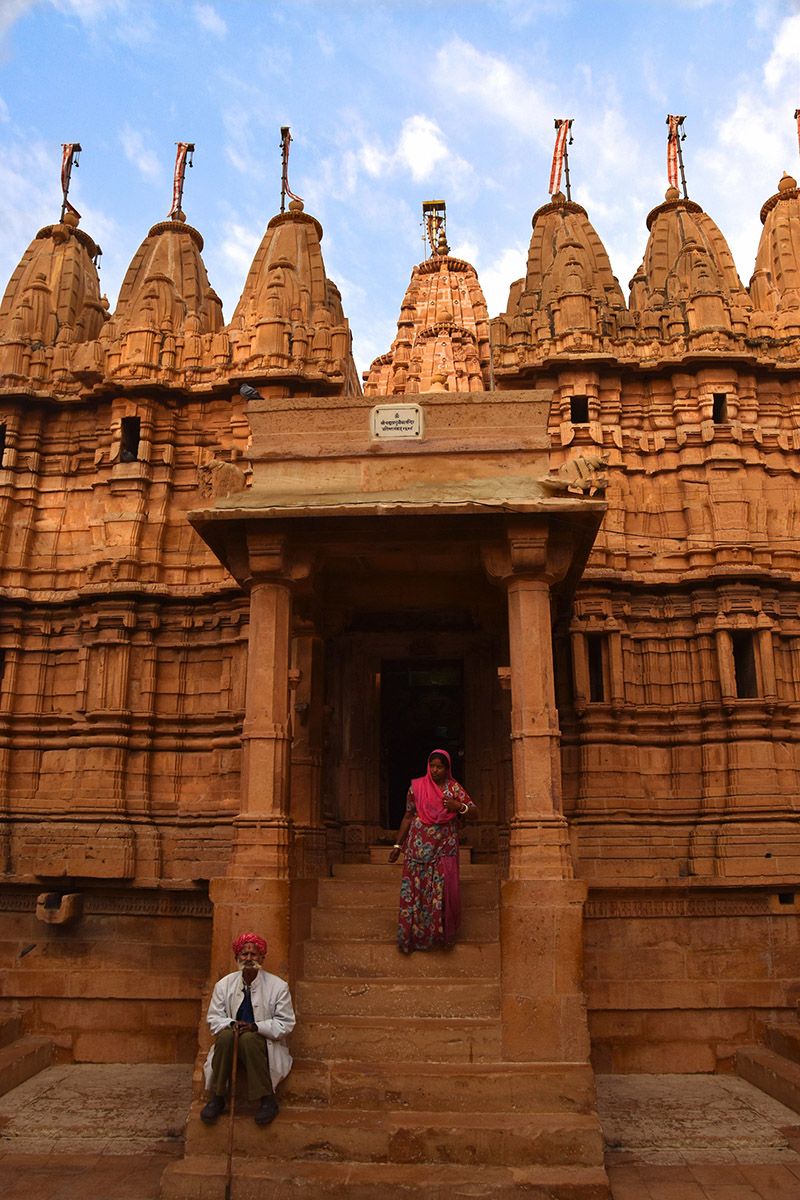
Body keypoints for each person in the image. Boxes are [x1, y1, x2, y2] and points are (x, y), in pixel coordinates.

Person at [200, 931, 295, 1127]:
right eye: (244, 954)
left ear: (262, 957)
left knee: (249, 1039)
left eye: (254, 954)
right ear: (237, 957)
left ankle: (267, 1099)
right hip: (231, 1041)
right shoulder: (223, 985)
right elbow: (213, 1019)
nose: (249, 959)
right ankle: (217, 1097)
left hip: (260, 1043)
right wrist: (232, 1024)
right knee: (226, 1037)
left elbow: (285, 1023)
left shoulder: (278, 987)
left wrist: (255, 1027)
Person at [389, 749, 477, 953]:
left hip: (443, 848)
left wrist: (459, 807)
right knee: (415, 892)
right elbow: (408, 816)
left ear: (447, 769)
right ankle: (411, 937)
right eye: (432, 766)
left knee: (440, 892)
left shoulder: (454, 789)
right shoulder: (416, 788)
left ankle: (438, 936)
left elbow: (474, 811)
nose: (435, 770)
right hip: (417, 849)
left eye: (440, 767)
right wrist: (397, 845)